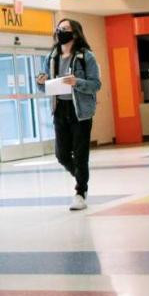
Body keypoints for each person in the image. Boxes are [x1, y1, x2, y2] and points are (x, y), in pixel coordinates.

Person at [37, 19, 102, 211]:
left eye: (64, 29)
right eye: (58, 29)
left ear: (74, 34)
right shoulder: (51, 57)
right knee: (61, 154)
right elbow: (43, 86)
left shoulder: (86, 56)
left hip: (80, 110)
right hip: (59, 108)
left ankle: (80, 192)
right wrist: (41, 82)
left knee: (80, 154)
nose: (60, 32)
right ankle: (82, 176)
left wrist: (77, 82)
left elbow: (96, 85)